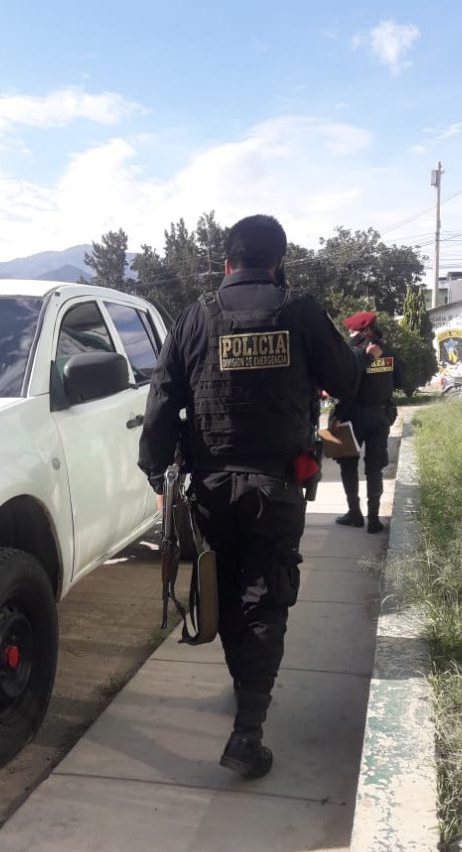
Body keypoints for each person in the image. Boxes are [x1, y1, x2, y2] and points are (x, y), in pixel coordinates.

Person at [138, 214, 364, 779]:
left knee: (227, 589)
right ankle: (248, 730)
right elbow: (346, 380)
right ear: (280, 261)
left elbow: (161, 401)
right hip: (277, 487)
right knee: (265, 597)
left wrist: (157, 476)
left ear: (226, 262)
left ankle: (246, 694)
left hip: (211, 488)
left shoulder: (195, 317)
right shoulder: (300, 311)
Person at [332, 311, 404, 535]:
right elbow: (400, 380)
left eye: (351, 330)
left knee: (347, 465)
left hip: (350, 415)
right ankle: (373, 520)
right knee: (375, 468)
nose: (349, 333)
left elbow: (340, 382)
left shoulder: (351, 352)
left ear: (362, 330)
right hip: (380, 416)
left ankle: (354, 514)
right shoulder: (388, 351)